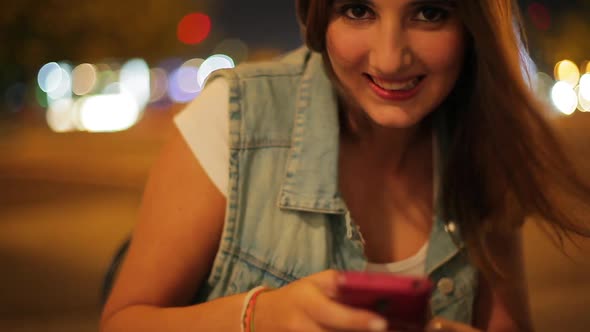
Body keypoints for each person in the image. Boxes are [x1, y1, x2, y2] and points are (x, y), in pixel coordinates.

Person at [100, 0, 590, 331]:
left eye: (429, 12)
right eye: (358, 10)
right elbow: (123, 321)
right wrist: (261, 317)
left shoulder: (485, 142)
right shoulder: (236, 118)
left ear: (471, 25)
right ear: (320, 15)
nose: (390, 57)